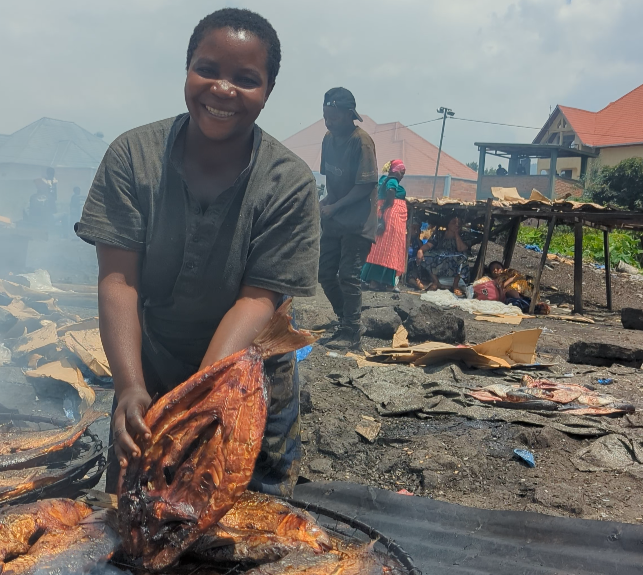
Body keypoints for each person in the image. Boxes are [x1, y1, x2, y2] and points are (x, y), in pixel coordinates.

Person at [74, 8, 319, 498]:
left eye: (246, 79)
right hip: (149, 369)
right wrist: (130, 387)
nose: (223, 89)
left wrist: (196, 405)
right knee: (130, 512)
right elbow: (119, 280)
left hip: (248, 379)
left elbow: (256, 301)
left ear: (268, 90)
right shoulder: (133, 158)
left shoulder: (288, 183)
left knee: (246, 517)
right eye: (207, 69)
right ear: (187, 70)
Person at [317, 87, 379, 349]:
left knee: (348, 276)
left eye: (334, 117)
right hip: (335, 221)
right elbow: (332, 185)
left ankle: (351, 332)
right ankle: (347, 321)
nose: (329, 122)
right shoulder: (328, 140)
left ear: (349, 114)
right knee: (324, 273)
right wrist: (323, 203)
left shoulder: (361, 142)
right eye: (326, 117)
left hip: (357, 222)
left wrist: (335, 206)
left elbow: (365, 186)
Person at [360, 159, 408, 292]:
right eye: (402, 172)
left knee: (382, 249)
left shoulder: (384, 180)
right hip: (391, 218)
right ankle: (384, 282)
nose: (402, 175)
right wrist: (388, 205)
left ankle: (376, 281)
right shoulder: (392, 180)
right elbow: (391, 191)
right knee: (391, 249)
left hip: (387, 216)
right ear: (395, 171)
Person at [414, 216, 471, 295]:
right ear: (448, 224)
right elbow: (429, 245)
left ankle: (455, 285)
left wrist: (456, 234)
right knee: (426, 256)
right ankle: (436, 282)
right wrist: (420, 250)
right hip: (440, 257)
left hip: (455, 258)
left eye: (459, 223)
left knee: (463, 258)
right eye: (454, 222)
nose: (457, 225)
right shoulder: (440, 234)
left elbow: (461, 249)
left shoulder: (463, 235)